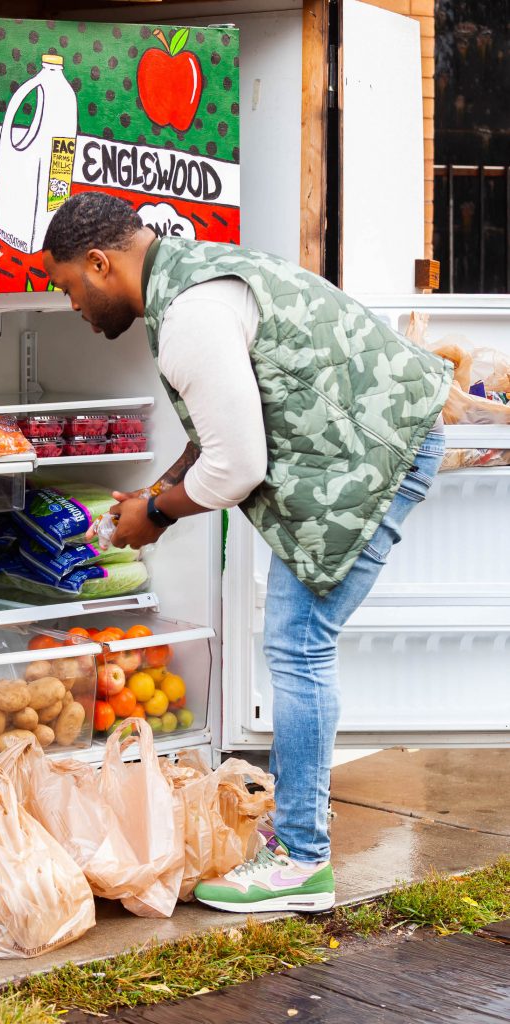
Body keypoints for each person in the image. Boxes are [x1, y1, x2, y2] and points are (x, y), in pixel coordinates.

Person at [43, 193, 451, 915]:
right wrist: (159, 489)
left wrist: (159, 514)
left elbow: (237, 467)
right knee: (299, 644)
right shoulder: (194, 277)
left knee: (298, 647)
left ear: (101, 263)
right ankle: (296, 851)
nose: (72, 303)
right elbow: (223, 425)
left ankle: (300, 861)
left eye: (69, 284)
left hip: (375, 458)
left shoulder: (190, 318)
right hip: (375, 445)